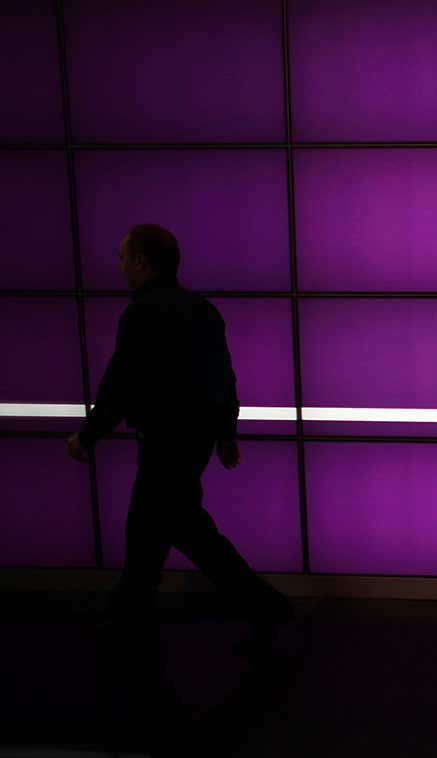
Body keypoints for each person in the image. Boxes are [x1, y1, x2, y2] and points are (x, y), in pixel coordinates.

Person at [66, 224, 292, 657]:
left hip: (162, 441)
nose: (119, 265)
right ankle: (258, 607)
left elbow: (122, 386)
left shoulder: (141, 314)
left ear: (140, 262)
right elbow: (223, 377)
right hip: (195, 442)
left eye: (122, 256)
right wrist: (226, 432)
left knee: (165, 531)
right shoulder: (202, 310)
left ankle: (131, 621)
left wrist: (88, 435)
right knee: (175, 529)